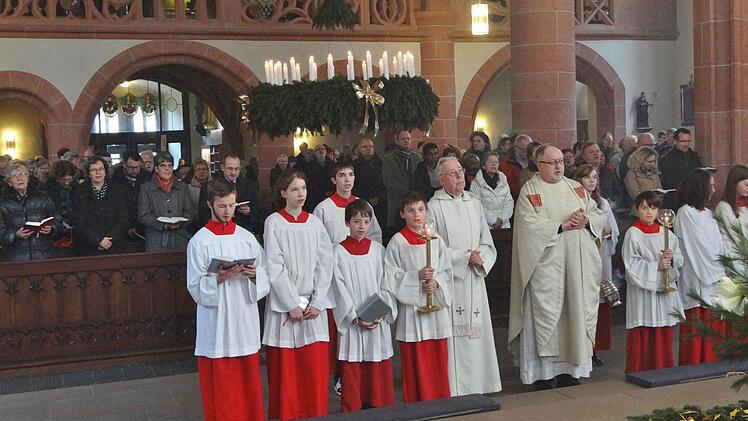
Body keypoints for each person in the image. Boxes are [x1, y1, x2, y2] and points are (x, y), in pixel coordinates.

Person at [508, 144, 604, 390]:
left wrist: (587, 220)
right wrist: (560, 226)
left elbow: (596, 214)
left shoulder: (576, 189)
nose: (559, 166)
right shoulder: (531, 191)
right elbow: (528, 227)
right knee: (546, 317)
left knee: (574, 314)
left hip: (576, 266)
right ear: (539, 165)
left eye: (561, 161)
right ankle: (542, 373)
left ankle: (571, 370)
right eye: (552, 162)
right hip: (545, 269)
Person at [187, 178, 269, 421]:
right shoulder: (199, 241)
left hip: (243, 316)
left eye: (232, 205)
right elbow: (194, 286)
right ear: (210, 205)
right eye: (222, 206)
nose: (228, 211)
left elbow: (264, 271)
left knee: (248, 381)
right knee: (222, 385)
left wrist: (255, 275)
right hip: (217, 322)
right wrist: (219, 278)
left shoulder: (246, 237)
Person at [262, 169, 333, 421]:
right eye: (294, 189)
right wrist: (291, 303)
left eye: (303, 188)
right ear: (283, 193)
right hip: (286, 308)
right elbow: (275, 266)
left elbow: (326, 263)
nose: (300, 194)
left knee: (312, 371)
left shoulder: (315, 223)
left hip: (314, 307)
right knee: (287, 373)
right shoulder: (274, 222)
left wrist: (318, 301)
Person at [428, 157, 501, 396]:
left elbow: (486, 241)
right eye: (452, 174)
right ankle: (456, 388)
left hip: (474, 278)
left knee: (477, 333)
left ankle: (481, 384)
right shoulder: (433, 206)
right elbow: (432, 247)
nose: (459, 177)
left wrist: (481, 257)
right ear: (441, 180)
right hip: (452, 280)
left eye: (460, 171)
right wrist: (462, 257)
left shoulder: (474, 202)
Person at [384, 191, 453, 402]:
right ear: (402, 214)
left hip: (435, 309)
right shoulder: (397, 241)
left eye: (421, 210)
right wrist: (416, 277)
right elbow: (391, 276)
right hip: (412, 310)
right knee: (415, 359)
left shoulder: (436, 239)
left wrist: (437, 283)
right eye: (411, 211)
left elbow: (446, 270)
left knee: (437, 356)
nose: (417, 215)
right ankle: (416, 401)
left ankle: (441, 400)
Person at [331, 199, 397, 412]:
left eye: (366, 221)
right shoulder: (338, 252)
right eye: (356, 221)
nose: (361, 226)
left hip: (376, 320)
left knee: (377, 366)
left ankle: (381, 407)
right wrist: (355, 316)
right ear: (347, 222)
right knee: (354, 367)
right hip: (354, 323)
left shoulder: (378, 250)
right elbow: (338, 288)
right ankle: (352, 410)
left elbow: (386, 284)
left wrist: (378, 314)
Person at [622, 191, 684, 373]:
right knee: (644, 330)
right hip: (644, 292)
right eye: (644, 207)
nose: (649, 212)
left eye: (653, 208)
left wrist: (671, 260)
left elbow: (679, 258)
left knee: (663, 331)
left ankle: (664, 369)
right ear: (637, 209)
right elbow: (631, 264)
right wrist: (656, 265)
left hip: (664, 290)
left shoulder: (666, 233)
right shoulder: (633, 233)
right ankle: (640, 370)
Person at [674, 168, 728, 365]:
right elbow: (697, 246)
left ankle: (713, 363)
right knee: (697, 323)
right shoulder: (685, 213)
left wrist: (726, 263)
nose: (713, 190)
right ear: (700, 188)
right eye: (710, 187)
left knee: (714, 321)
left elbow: (721, 242)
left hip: (715, 275)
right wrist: (718, 270)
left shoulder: (709, 214)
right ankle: (694, 365)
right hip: (697, 275)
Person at [573, 164, 619, 367]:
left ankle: (595, 348)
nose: (592, 181)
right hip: (583, 257)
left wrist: (608, 231)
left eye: (594, 177)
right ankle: (582, 348)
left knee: (600, 304)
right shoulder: (574, 200)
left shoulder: (602, 204)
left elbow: (613, 230)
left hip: (601, 257)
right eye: (587, 177)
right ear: (579, 180)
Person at [0, 160, 60, 261]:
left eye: (23, 174)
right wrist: (15, 234)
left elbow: (57, 218)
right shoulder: (3, 202)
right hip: (16, 257)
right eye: (15, 176)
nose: (20, 178)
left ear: (28, 177)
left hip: (42, 254)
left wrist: (51, 229)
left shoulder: (42, 197)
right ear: (9, 182)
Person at [314, 160, 383, 244]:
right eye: (342, 175)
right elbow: (318, 240)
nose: (347, 179)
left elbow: (374, 235)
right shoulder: (323, 209)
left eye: (351, 174)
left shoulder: (364, 206)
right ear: (333, 180)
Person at [71, 157, 129, 256]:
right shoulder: (79, 191)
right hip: (88, 245)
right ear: (88, 173)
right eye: (94, 170)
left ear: (106, 171)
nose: (98, 172)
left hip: (114, 244)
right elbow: (78, 221)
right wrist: (97, 240)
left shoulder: (117, 189)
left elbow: (123, 218)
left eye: (101, 169)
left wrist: (109, 238)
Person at [137, 152, 195, 252]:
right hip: (156, 241)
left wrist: (180, 223)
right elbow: (143, 215)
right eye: (163, 165)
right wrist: (163, 225)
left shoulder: (183, 187)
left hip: (180, 239)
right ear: (156, 169)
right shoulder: (146, 188)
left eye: (170, 165)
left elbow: (190, 212)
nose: (167, 169)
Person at [198, 154, 262, 234]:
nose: (233, 172)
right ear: (222, 167)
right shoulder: (208, 187)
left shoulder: (251, 186)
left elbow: (259, 212)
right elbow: (202, 214)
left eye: (236, 169)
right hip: (217, 232)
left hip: (243, 231)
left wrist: (249, 211)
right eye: (230, 168)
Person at [382, 130, 422, 231]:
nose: (406, 141)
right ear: (397, 141)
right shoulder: (389, 159)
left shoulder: (418, 158)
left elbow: (422, 178)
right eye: (403, 139)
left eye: (408, 138)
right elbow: (389, 181)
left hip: (415, 201)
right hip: (397, 202)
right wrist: (408, 193)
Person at [659, 128, 703, 209]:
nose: (686, 144)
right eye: (683, 141)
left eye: (688, 141)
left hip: (695, 195)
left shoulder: (693, 156)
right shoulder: (667, 159)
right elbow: (668, 181)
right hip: (677, 198)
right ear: (675, 142)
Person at [470, 152, 513, 229]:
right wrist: (493, 220)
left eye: (496, 162)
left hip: (504, 225)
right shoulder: (476, 184)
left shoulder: (503, 181)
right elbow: (476, 204)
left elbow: (509, 202)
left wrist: (501, 219)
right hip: (485, 225)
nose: (494, 164)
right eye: (490, 162)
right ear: (483, 165)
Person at [352, 137, 387, 227]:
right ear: (360, 149)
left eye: (371, 146)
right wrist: (367, 199)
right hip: (362, 202)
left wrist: (378, 197)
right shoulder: (355, 165)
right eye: (365, 147)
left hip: (380, 202)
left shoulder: (381, 163)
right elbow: (355, 185)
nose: (368, 149)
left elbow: (384, 183)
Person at [715, 164, 748, 243]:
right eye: (746, 185)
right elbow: (733, 234)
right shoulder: (724, 207)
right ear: (735, 183)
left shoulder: (745, 203)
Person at [623, 146, 662, 212]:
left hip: (656, 208)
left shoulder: (654, 173)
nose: (652, 164)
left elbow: (659, 189)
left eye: (654, 161)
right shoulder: (632, 174)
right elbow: (635, 195)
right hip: (640, 210)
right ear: (640, 161)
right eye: (649, 162)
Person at [303, 144, 335, 212]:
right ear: (315, 153)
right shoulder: (309, 166)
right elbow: (310, 182)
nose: (320, 151)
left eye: (322, 149)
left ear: (326, 151)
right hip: (316, 196)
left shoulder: (332, 164)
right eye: (317, 150)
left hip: (331, 194)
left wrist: (331, 190)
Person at [500, 134, 531, 200]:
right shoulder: (507, 161)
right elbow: (508, 182)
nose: (526, 152)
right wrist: (524, 192)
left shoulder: (532, 159)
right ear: (516, 148)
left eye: (528, 149)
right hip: (515, 197)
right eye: (523, 149)